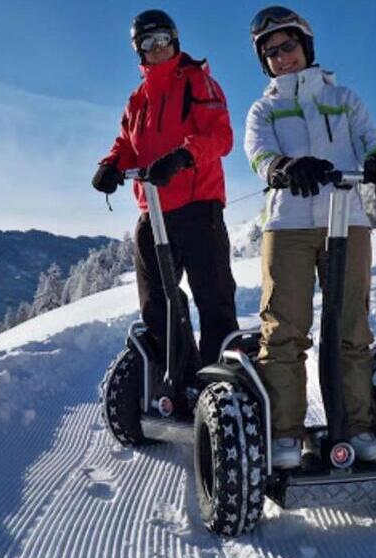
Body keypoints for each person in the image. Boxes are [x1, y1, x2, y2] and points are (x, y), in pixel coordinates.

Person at [244, 6, 376, 468]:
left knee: (351, 329)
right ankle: (284, 435)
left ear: (306, 45)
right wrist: (281, 168)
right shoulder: (266, 108)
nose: (283, 57)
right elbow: (258, 152)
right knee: (284, 330)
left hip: (348, 220)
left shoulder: (344, 98)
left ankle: (355, 427)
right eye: (271, 53)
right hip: (289, 224)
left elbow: (371, 139)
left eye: (288, 46)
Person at [92, 9, 239, 382]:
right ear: (138, 51)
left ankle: (219, 382)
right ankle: (177, 378)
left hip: (198, 205)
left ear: (174, 41)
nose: (156, 48)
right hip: (153, 212)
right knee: (157, 305)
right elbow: (126, 143)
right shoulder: (137, 99)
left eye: (161, 40)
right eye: (147, 43)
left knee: (214, 297)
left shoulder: (197, 83)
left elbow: (219, 135)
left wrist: (183, 156)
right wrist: (111, 165)